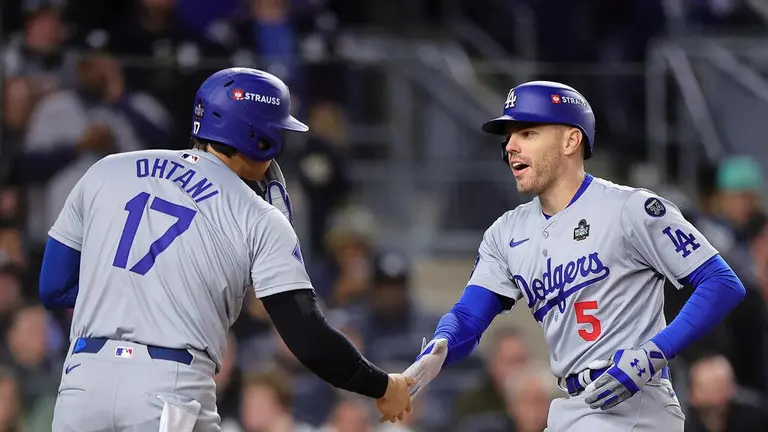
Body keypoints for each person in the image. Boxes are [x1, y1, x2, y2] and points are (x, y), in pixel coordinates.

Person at [38, 67, 413, 432]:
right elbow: (307, 337)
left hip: (82, 382)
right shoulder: (256, 214)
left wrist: (129, 297)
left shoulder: (107, 169)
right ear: (260, 138)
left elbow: (52, 286)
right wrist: (381, 386)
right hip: (170, 386)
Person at [399, 81, 746, 431]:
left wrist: (653, 354)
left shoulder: (629, 208)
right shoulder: (506, 233)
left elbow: (722, 282)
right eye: (509, 136)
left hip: (637, 404)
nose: (511, 146)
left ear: (571, 140)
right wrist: (439, 347)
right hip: (574, 406)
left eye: (528, 132)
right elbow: (469, 317)